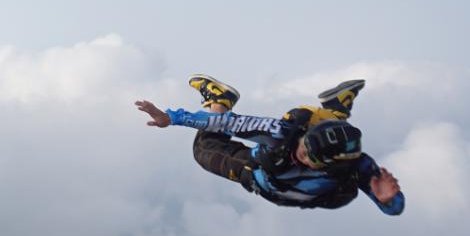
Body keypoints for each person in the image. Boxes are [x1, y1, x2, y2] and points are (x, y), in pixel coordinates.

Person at [135, 74, 405, 215]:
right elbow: (226, 124)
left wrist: (389, 200)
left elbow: (393, 209)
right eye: (306, 143)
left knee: (345, 194)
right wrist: (171, 117)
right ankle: (220, 97)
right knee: (204, 149)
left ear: (330, 164)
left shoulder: (357, 166)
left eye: (310, 154)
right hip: (259, 172)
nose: (301, 151)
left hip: (298, 188)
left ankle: (336, 109)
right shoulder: (283, 134)